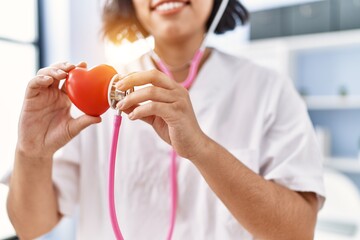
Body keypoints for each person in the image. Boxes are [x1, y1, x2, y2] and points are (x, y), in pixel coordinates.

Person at [5, 0, 326, 239]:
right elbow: (30, 225)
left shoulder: (269, 89)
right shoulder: (99, 90)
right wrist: (32, 153)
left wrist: (201, 149)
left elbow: (297, 233)